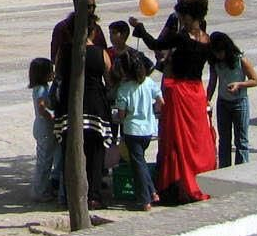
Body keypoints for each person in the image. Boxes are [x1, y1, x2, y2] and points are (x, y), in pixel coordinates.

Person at [130, 0, 217, 205]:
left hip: (179, 91)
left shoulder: (181, 37)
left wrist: (139, 28)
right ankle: (200, 177)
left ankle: (179, 184)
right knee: (197, 139)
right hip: (197, 92)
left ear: (188, 16)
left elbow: (155, 45)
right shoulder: (207, 39)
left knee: (176, 140)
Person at [53, 37, 113, 208]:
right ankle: (94, 195)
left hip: (69, 104)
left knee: (70, 151)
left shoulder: (64, 52)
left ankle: (70, 195)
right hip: (95, 105)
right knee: (96, 152)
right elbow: (108, 79)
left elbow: (58, 74)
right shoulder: (101, 53)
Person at [112, 46, 160, 211]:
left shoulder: (124, 89)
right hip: (148, 129)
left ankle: (145, 199)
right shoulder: (149, 83)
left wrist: (116, 116)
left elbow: (122, 114)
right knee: (141, 162)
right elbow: (161, 102)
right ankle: (153, 191)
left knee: (137, 165)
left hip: (132, 130)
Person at [206, 32, 257, 167]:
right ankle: (225, 168)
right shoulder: (215, 62)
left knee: (241, 140)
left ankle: (242, 169)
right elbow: (213, 82)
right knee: (224, 140)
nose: (218, 55)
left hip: (240, 103)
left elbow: (255, 80)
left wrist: (239, 84)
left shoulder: (240, 60)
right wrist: (207, 99)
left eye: (220, 52)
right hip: (223, 102)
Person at [49, 0, 107, 66]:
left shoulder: (96, 28)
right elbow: (55, 57)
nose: (92, 10)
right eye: (88, 7)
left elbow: (103, 53)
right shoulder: (62, 28)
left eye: (94, 6)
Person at [29, 58, 57, 202]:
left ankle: (42, 188)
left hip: (41, 127)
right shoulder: (41, 89)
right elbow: (41, 107)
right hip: (44, 128)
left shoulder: (42, 87)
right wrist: (51, 116)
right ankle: (40, 191)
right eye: (50, 71)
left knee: (45, 160)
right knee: (44, 161)